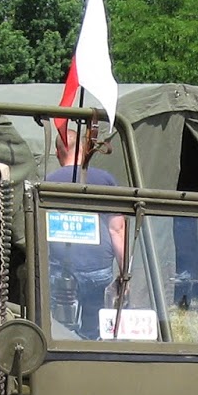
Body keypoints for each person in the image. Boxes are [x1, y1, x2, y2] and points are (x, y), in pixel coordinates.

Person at [45, 129, 128, 338]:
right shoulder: (105, 179)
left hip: (60, 270)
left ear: (57, 152)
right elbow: (117, 229)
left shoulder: (48, 181)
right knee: (96, 329)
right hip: (99, 268)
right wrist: (125, 272)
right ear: (85, 150)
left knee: (60, 329)